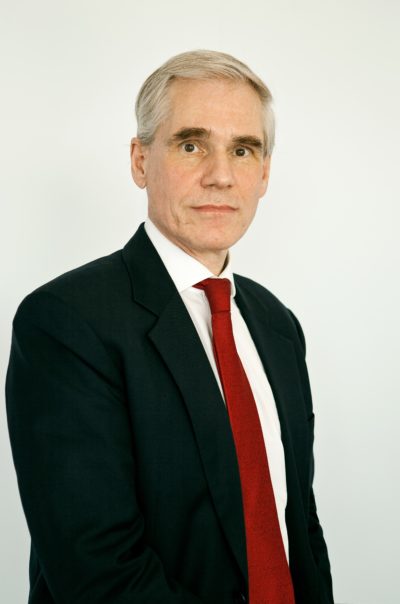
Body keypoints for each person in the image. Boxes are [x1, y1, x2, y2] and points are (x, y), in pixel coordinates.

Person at [6, 50, 334, 604]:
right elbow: (98, 572)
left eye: (243, 150)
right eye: (191, 145)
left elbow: (297, 523)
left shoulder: (278, 325)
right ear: (140, 161)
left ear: (264, 173)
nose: (221, 176)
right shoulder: (66, 322)